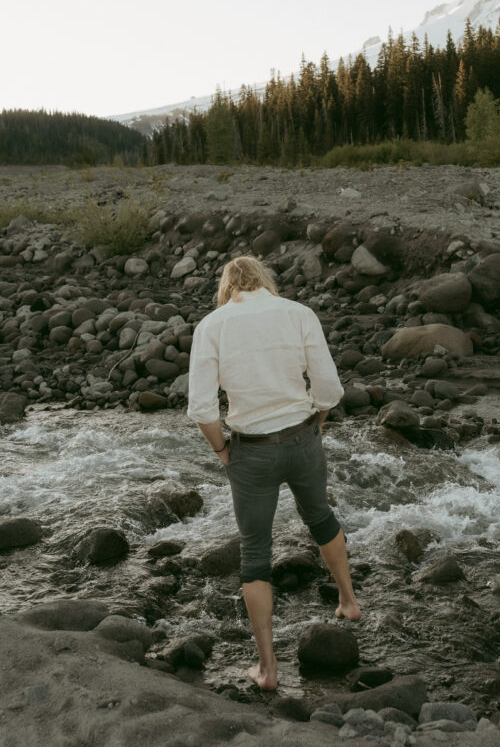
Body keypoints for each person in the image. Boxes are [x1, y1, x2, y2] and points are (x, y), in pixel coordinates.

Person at [187, 254, 361, 690]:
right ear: (264, 280)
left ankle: (267, 669)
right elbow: (330, 388)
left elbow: (202, 410)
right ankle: (348, 601)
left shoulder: (212, 325)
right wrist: (316, 423)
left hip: (252, 452)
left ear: (228, 287)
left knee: (255, 552)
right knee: (320, 517)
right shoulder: (298, 313)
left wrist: (223, 451)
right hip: (302, 439)